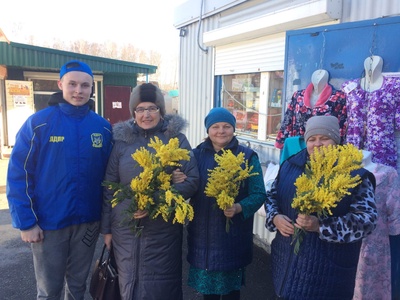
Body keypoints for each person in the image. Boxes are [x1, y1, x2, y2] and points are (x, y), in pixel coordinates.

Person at [6, 60, 113, 299]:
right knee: (49, 291)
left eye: (85, 85)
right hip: (48, 225)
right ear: (60, 84)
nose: (78, 90)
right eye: (72, 84)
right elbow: (18, 174)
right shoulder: (38, 124)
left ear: (91, 89)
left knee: (77, 288)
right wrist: (26, 222)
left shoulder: (102, 128)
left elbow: (112, 176)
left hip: (87, 224)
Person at [100, 83, 199, 300]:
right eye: (141, 109)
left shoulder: (176, 140)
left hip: (162, 232)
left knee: (161, 286)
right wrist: (107, 230)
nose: (147, 114)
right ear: (133, 112)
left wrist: (155, 199)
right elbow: (109, 186)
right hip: (124, 230)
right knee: (127, 283)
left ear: (161, 111)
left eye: (152, 108)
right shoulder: (122, 143)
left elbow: (192, 180)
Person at [265, 115, 378, 300]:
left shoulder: (354, 175)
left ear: (336, 140)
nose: (317, 144)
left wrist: (321, 226)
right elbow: (271, 196)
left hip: (328, 273)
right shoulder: (290, 165)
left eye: (324, 138)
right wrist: (275, 217)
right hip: (285, 266)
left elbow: (367, 221)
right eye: (312, 139)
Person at [185, 107, 266, 300]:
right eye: (215, 126)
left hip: (232, 237)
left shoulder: (247, 157)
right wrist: (179, 179)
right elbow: (186, 187)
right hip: (202, 237)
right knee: (208, 294)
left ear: (234, 129)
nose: (221, 131)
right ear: (207, 130)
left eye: (226, 126)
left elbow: (259, 194)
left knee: (231, 293)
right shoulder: (195, 156)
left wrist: (239, 207)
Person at [353, 150, 400, 300]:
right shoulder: (341, 174)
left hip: (376, 245)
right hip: (344, 243)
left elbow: (395, 212)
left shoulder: (387, 175)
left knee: (372, 287)